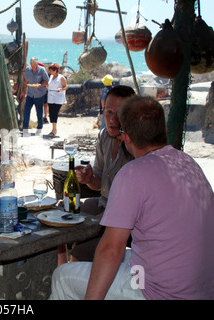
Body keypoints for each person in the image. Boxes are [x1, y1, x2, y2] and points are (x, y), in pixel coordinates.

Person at [50, 96, 214, 300]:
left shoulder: (133, 173)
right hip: (201, 287)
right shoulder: (188, 164)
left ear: (126, 137)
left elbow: (111, 250)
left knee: (62, 277)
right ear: (163, 130)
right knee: (110, 261)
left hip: (160, 292)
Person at [65, 85, 135, 263]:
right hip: (105, 205)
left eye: (120, 113)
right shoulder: (104, 136)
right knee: (62, 212)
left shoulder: (137, 146)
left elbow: (134, 207)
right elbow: (99, 182)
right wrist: (89, 179)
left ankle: (73, 278)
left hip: (128, 219)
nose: (113, 119)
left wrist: (101, 220)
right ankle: (58, 273)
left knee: (82, 243)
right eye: (108, 112)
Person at [22, 57, 49, 134]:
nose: (32, 66)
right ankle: (25, 129)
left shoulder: (42, 70)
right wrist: (24, 92)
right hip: (30, 94)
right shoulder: (27, 69)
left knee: (39, 112)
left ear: (37, 63)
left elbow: (47, 82)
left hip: (39, 95)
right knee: (26, 111)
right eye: (31, 64)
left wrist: (40, 85)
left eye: (33, 64)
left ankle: (39, 128)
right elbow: (26, 81)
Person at [46, 63, 67, 137]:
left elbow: (65, 87)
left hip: (58, 98)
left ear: (56, 70)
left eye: (51, 71)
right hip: (51, 98)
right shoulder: (51, 77)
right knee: (51, 113)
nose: (50, 72)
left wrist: (60, 89)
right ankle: (54, 129)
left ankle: (54, 130)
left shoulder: (61, 77)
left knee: (55, 113)